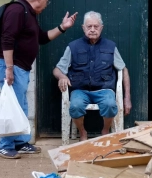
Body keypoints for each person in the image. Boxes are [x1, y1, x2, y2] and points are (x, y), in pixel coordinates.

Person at [0, 0, 78, 159]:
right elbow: (7, 39)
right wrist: (9, 68)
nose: (47, 4)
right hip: (12, 66)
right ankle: (4, 146)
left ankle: (19, 142)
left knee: (21, 106)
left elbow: (42, 37)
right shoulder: (17, 10)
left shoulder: (28, 13)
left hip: (20, 67)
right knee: (12, 106)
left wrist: (63, 27)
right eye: (46, 0)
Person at [53, 11, 132, 141]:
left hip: (104, 89)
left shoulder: (111, 46)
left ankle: (105, 130)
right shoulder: (73, 47)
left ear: (101, 28)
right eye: (89, 26)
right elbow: (57, 69)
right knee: (75, 106)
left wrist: (127, 97)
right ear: (83, 28)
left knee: (110, 105)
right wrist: (62, 76)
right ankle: (82, 132)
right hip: (80, 90)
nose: (93, 30)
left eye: (96, 26)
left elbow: (124, 70)